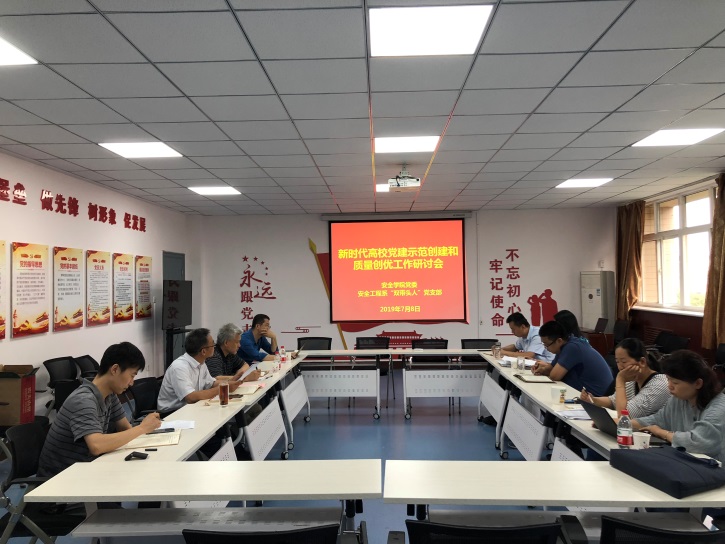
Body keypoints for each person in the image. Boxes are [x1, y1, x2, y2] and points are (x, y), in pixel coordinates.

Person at [38, 342, 162, 477]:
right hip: (61, 478)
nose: (132, 382)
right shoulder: (83, 400)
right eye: (132, 375)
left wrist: (145, 430)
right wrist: (142, 428)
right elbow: (96, 446)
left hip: (86, 468)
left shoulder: (110, 395)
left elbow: (125, 429)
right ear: (115, 369)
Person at [633, 350, 725, 461]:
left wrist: (663, 433)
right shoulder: (678, 399)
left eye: (675, 383)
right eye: (668, 380)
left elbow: (699, 442)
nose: (670, 386)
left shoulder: (719, 407)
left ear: (698, 383)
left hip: (714, 467)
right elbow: (658, 420)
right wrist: (625, 423)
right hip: (687, 462)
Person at [580, 338, 670, 418]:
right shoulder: (632, 379)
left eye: (624, 361)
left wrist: (620, 380)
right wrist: (592, 400)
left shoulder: (660, 384)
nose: (620, 367)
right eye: (617, 362)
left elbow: (624, 416)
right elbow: (614, 401)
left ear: (642, 362)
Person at [157, 328, 242, 413]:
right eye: (212, 345)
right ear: (203, 351)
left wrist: (232, 381)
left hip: (191, 408)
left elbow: (211, 383)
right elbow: (190, 397)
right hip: (172, 413)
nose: (215, 347)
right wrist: (223, 389)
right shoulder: (179, 367)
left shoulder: (201, 363)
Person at [532, 320, 613, 396]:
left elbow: (554, 376)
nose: (546, 348)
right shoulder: (565, 346)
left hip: (596, 397)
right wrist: (541, 370)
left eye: (547, 345)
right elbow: (551, 368)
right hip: (584, 394)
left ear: (559, 341)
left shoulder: (573, 347)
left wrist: (546, 370)